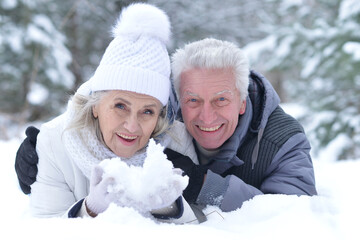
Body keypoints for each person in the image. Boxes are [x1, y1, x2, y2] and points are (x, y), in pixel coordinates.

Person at [16, 38, 317, 214]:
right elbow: (114, 93)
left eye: (221, 100)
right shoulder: (169, 116)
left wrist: (203, 184)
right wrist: (43, 149)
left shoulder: (283, 143)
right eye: (194, 100)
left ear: (242, 101)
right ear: (176, 99)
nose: (206, 116)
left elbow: (290, 219)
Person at [18, 3, 199, 223]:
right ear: (96, 105)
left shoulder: (178, 143)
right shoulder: (54, 142)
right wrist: (89, 210)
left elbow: (215, 224)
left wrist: (170, 208)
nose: (132, 126)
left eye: (147, 111)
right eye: (120, 106)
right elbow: (40, 228)